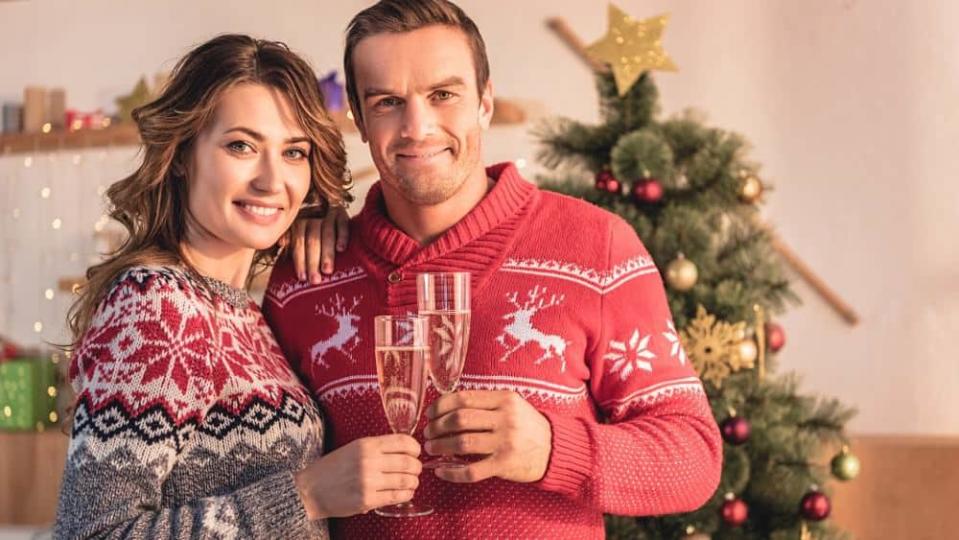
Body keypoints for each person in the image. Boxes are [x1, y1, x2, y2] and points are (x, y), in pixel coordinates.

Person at [264, 1, 724, 538]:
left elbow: (693, 456)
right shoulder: (305, 275)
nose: (418, 126)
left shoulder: (597, 247)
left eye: (443, 95)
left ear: (484, 102)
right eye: (388, 102)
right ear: (360, 122)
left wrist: (553, 449)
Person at [55, 34, 422, 540]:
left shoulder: (245, 314)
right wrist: (307, 496)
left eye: (294, 152)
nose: (273, 180)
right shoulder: (157, 305)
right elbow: (90, 535)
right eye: (241, 146)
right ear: (183, 153)